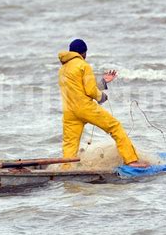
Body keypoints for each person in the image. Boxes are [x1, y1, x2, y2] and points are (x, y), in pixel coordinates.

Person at [58, 39, 148, 168]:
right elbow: (89, 90)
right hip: (85, 108)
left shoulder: (63, 69)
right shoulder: (83, 65)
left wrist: (103, 82)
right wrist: (102, 97)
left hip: (69, 111)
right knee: (115, 127)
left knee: (70, 143)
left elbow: (79, 88)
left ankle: (65, 170)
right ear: (84, 53)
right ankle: (131, 160)